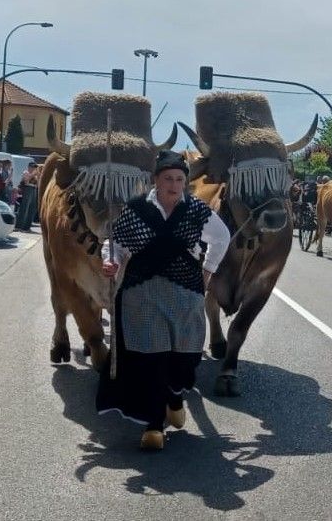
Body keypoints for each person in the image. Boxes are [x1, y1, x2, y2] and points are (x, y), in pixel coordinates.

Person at [97, 151, 230, 450]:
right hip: (142, 295)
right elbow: (115, 244)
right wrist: (112, 261)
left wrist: (208, 270)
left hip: (186, 293)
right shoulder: (137, 210)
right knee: (151, 360)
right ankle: (154, 425)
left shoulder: (196, 210)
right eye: (168, 178)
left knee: (185, 360)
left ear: (186, 182)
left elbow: (222, 238)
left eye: (179, 179)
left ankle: (174, 394)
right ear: (155, 180)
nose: (174, 184)